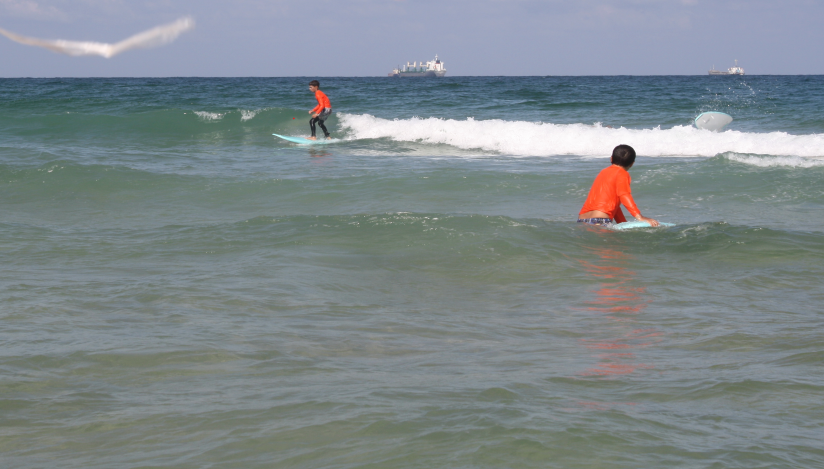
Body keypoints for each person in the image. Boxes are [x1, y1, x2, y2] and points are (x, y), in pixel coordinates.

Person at [578, 144, 659, 227]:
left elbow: (614, 206)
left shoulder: (603, 172)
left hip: (582, 220)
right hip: (600, 219)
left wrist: (623, 224)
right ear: (632, 164)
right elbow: (624, 195)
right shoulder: (622, 173)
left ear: (611, 158)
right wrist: (640, 217)